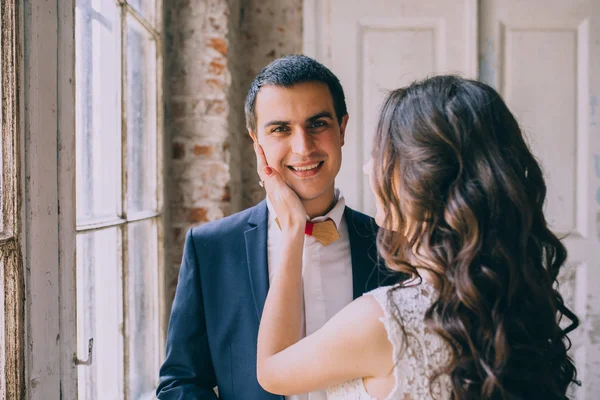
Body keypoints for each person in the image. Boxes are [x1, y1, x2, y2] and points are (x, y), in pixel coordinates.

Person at [255, 75, 580, 399]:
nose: (369, 168)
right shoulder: (510, 298)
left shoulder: (387, 320)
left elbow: (271, 371)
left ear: (421, 173)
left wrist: (293, 231)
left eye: (381, 153)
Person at [156, 55, 392, 399]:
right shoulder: (210, 248)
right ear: (257, 143)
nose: (303, 147)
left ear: (342, 129)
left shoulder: (395, 247)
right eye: (281, 129)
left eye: (318, 124)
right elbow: (180, 384)